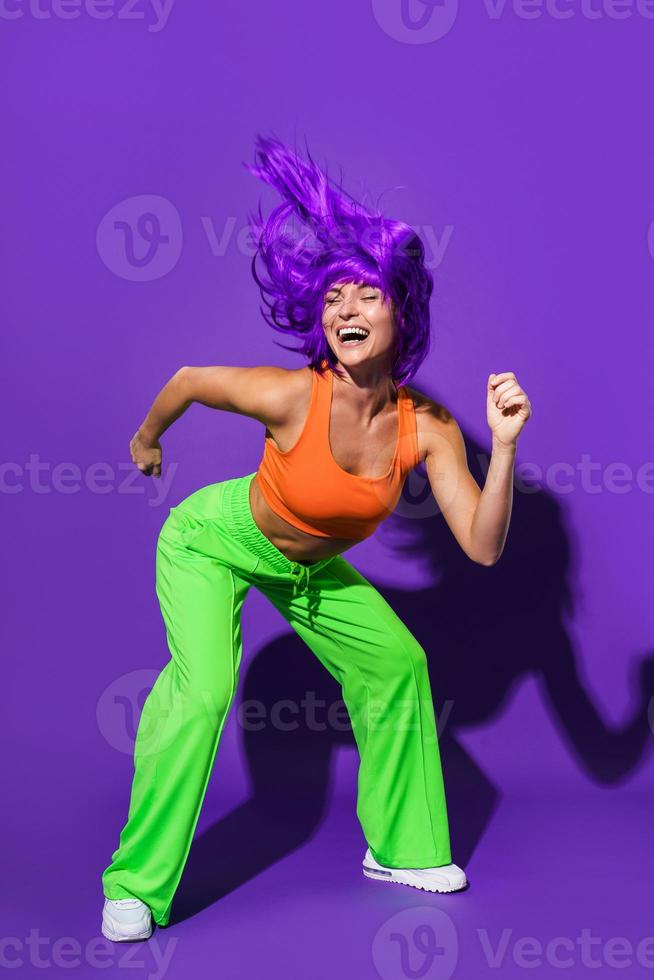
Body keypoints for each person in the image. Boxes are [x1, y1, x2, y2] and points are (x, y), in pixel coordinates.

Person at [100, 134, 532, 942]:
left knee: (400, 663)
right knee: (200, 694)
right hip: (213, 541)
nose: (344, 310)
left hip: (310, 570)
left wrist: (503, 449)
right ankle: (134, 883)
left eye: (365, 294)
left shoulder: (426, 428)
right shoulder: (294, 397)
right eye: (334, 297)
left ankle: (402, 849)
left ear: (402, 310)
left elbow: (480, 544)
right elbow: (189, 381)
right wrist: (148, 439)